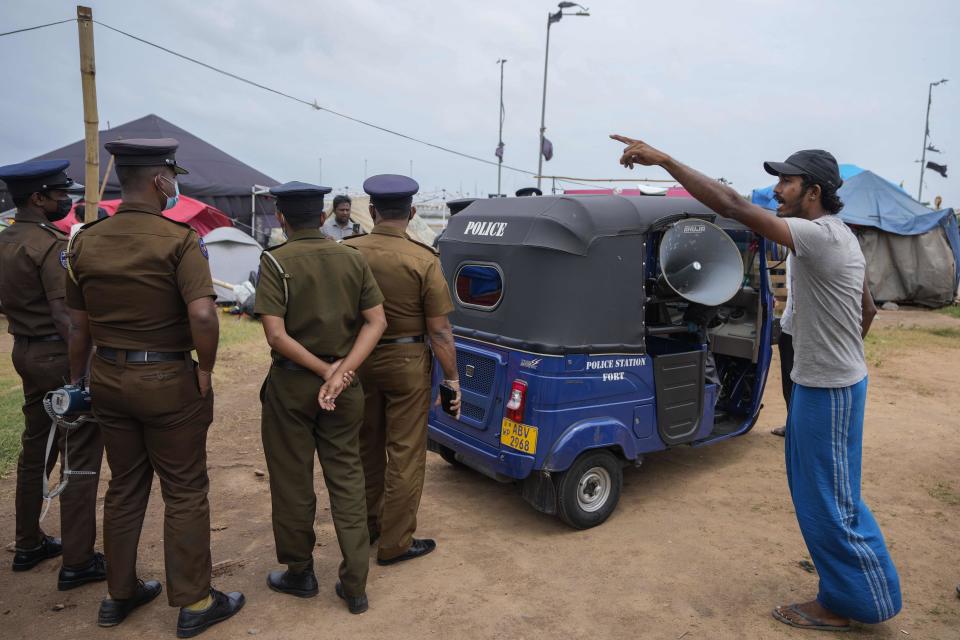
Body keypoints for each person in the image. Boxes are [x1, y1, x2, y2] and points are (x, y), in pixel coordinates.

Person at [612, 135, 901, 631]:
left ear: (813, 191)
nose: (778, 189)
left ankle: (859, 601)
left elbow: (731, 204)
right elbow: (868, 308)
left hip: (829, 389)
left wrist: (664, 159)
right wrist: (837, 351)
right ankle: (841, 577)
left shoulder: (818, 236)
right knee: (820, 491)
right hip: (827, 383)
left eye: (787, 181)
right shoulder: (836, 234)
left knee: (830, 497)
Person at [65, 138, 244, 637]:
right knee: (185, 489)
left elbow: (78, 327)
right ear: (162, 180)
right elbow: (204, 312)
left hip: (107, 378)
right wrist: (205, 368)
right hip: (167, 378)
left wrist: (77, 380)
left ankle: (118, 594)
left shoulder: (85, 240)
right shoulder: (178, 239)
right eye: (172, 176)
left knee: (124, 486)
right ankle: (195, 602)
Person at [256, 181, 386, 614]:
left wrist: (323, 371)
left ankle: (300, 573)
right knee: (348, 477)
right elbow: (376, 322)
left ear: (282, 218)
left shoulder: (275, 261)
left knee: (292, 480)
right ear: (322, 216)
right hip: (346, 388)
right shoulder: (352, 257)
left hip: (293, 386)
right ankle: (355, 584)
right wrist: (341, 372)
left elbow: (275, 333)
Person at [345, 175, 460, 567]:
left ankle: (369, 525)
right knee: (406, 453)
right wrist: (452, 379)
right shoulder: (424, 258)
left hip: (357, 361)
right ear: (411, 214)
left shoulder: (347, 252)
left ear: (372, 212)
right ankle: (395, 543)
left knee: (365, 447)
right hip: (408, 361)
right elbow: (440, 330)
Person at [0, 160, 105, 589]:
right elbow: (67, 319)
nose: (67, 199)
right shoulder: (51, 245)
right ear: (38, 198)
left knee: (34, 448)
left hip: (24, 350)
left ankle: (28, 542)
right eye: (59, 193)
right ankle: (78, 561)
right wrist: (86, 371)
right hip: (59, 356)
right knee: (78, 450)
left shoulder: (5, 240)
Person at [771, 256, 876, 437]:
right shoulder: (847, 252)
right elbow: (869, 310)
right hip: (800, 330)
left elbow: (869, 310)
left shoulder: (815, 253)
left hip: (804, 332)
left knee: (800, 387)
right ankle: (796, 426)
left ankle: (798, 428)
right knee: (799, 387)